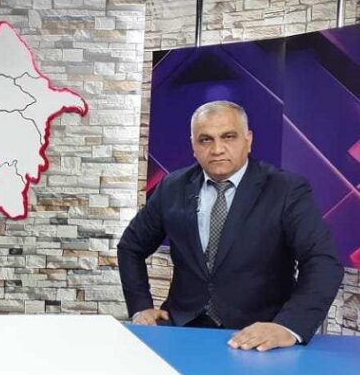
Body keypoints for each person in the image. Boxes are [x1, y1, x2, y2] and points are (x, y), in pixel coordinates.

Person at [118, 100, 343, 351]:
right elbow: (130, 247)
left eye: (228, 137)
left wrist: (288, 326)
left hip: (258, 337)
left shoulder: (286, 190)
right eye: (206, 140)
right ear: (193, 145)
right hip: (181, 331)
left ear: (248, 140)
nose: (217, 149)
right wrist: (140, 307)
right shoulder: (172, 187)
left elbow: (322, 261)